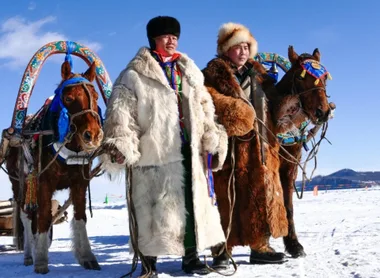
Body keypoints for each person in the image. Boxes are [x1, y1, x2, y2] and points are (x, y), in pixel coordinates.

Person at [100, 16, 228, 277]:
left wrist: (212, 134)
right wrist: (122, 141)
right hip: (152, 154)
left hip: (188, 151)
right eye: (165, 36)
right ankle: (149, 264)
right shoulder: (133, 75)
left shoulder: (189, 72)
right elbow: (121, 113)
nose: (171, 40)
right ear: (153, 40)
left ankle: (191, 257)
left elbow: (205, 107)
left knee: (192, 206)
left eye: (175, 36)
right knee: (149, 210)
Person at [202, 22, 289, 268]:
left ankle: (260, 245)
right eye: (237, 47)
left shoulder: (259, 75)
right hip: (228, 148)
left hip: (261, 148)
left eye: (246, 47)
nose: (243, 51)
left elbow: (274, 104)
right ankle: (221, 249)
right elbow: (205, 98)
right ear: (225, 49)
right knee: (226, 198)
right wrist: (231, 109)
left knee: (261, 195)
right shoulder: (211, 74)